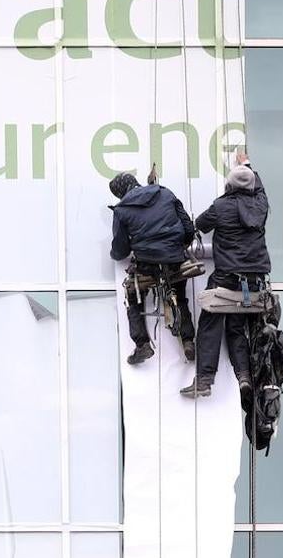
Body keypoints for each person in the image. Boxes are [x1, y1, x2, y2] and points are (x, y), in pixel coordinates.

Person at [180, 153, 270, 398]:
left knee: (210, 323)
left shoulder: (221, 206)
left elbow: (199, 223)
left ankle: (205, 380)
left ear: (229, 184)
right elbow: (258, 187)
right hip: (255, 281)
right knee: (236, 326)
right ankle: (243, 376)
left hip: (227, 276)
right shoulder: (261, 205)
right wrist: (247, 166)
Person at [108, 170, 197, 365]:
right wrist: (178, 246)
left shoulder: (122, 210)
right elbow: (189, 228)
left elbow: (121, 250)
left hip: (147, 263)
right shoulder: (165, 193)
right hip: (175, 259)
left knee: (133, 295)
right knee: (179, 297)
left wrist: (113, 254)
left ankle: (142, 345)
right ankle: (188, 340)